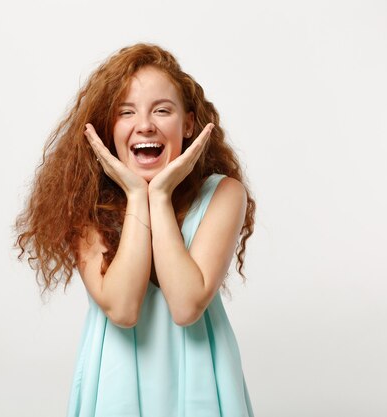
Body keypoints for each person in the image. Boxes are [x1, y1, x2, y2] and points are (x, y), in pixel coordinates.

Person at [14, 43, 256, 417]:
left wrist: (158, 195)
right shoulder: (86, 206)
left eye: (162, 110)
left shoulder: (224, 194)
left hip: (201, 384)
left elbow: (186, 304)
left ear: (188, 124)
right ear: (110, 129)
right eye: (126, 112)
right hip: (116, 382)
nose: (145, 124)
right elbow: (124, 308)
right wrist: (134, 193)